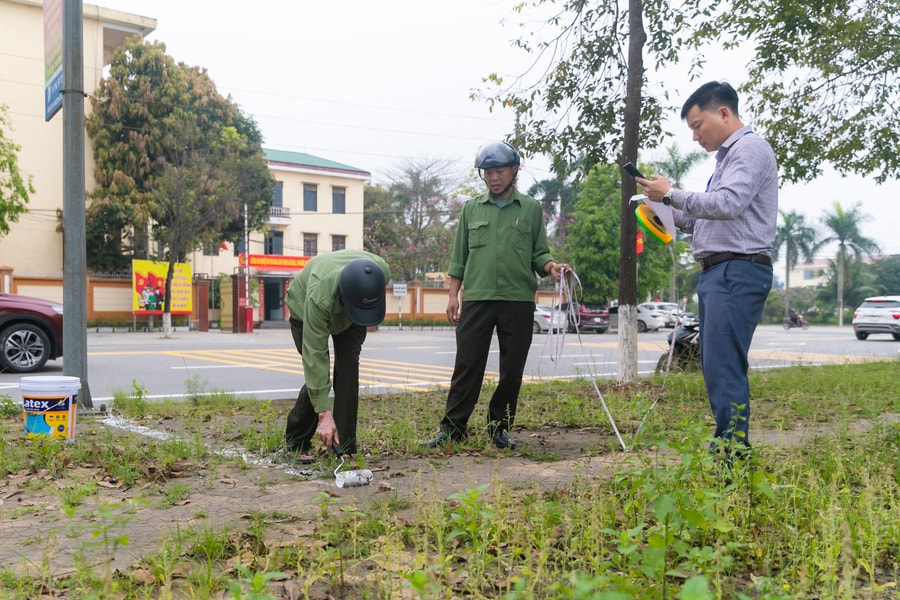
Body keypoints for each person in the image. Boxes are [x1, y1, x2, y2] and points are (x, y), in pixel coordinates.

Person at [635, 81, 777, 459]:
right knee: (717, 365)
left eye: (698, 125)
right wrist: (664, 211)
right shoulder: (727, 160)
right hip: (721, 271)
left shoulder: (749, 149)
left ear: (724, 114)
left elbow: (727, 204)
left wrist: (670, 194)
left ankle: (731, 455)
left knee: (724, 365)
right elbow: (707, 220)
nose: (696, 136)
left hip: (737, 270)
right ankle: (729, 449)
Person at [422, 141, 568, 450]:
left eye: (499, 171)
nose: (493, 178)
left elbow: (539, 254)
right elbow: (459, 257)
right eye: (487, 173)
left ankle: (499, 427)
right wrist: (453, 296)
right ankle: (453, 427)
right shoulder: (472, 208)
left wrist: (552, 267)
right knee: (467, 365)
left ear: (514, 170)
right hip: (477, 297)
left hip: (517, 299)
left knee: (512, 368)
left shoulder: (529, 209)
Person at [283, 249, 391, 462]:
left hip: (353, 312)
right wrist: (324, 413)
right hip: (304, 311)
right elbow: (315, 357)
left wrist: (361, 309)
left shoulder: (380, 272)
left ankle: (345, 446)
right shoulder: (319, 296)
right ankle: (296, 443)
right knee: (317, 376)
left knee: (349, 369)